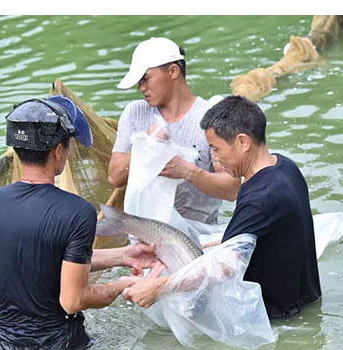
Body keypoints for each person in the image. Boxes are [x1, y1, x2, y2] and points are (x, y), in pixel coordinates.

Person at [0, 96, 152, 350]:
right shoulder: (77, 212)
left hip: (1, 348)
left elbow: (42, 261)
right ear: (58, 150)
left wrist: (123, 256)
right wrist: (122, 285)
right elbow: (73, 301)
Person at [123, 95, 322, 318]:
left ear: (243, 142)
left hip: (276, 317)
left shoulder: (260, 198)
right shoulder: (285, 167)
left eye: (216, 149)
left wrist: (159, 287)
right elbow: (267, 236)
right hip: (306, 299)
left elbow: (223, 267)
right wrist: (213, 245)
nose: (215, 158)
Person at [108, 36, 240, 224]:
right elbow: (114, 177)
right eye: (139, 81)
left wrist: (187, 172)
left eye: (145, 79)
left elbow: (231, 189)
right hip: (147, 233)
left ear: (173, 71)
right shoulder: (135, 113)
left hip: (199, 235)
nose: (141, 88)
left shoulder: (210, 117)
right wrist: (145, 143)